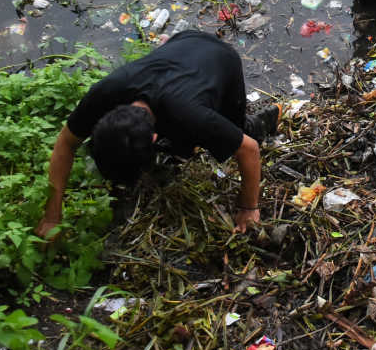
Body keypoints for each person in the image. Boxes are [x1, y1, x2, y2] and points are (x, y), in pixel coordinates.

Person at [35, 31, 274, 239]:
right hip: (181, 45)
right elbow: (66, 144)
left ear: (154, 138)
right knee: (183, 144)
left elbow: (249, 149)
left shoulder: (190, 116)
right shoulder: (104, 94)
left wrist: (248, 207)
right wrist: (51, 216)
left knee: (236, 132)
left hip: (222, 60)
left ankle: (270, 116)